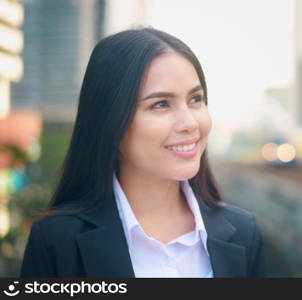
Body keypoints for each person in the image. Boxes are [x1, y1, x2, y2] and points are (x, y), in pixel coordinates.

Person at [20, 27, 266, 278]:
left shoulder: (244, 233)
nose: (190, 123)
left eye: (195, 99)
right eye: (161, 104)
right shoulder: (57, 241)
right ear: (111, 120)